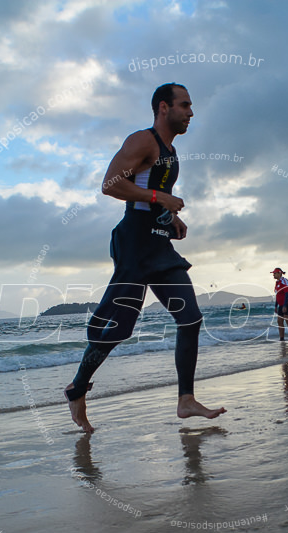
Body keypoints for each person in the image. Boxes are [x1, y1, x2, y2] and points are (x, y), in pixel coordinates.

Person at [64, 83, 225, 434]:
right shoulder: (142, 140)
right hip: (134, 243)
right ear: (164, 107)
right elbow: (110, 185)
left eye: (191, 105)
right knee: (118, 327)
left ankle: (186, 399)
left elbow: (153, 198)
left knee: (190, 318)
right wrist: (160, 198)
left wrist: (172, 218)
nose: (191, 113)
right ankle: (77, 389)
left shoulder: (170, 150)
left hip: (158, 244)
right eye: (185, 105)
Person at [272, 267, 288, 341]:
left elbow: (287, 293)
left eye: (275, 273)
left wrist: (285, 305)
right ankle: (281, 338)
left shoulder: (284, 281)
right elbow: (277, 295)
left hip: (287, 304)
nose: (273, 275)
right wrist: (276, 306)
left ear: (279, 273)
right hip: (280, 305)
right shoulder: (277, 283)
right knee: (279, 321)